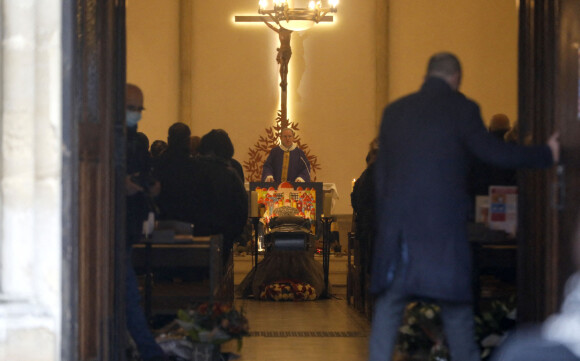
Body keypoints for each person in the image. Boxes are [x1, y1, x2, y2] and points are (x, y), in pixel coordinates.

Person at [368, 52, 559, 361]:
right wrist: (545, 154)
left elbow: (381, 176)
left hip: (400, 234)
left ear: (425, 76)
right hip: (443, 235)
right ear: (456, 78)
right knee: (457, 314)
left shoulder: (395, 112)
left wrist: (387, 222)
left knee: (388, 311)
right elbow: (494, 153)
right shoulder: (462, 108)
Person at [124, 83, 167, 361]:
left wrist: (151, 186)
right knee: (128, 296)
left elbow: (148, 173)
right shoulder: (105, 136)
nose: (137, 114)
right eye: (132, 108)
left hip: (129, 228)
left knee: (128, 295)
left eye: (140, 109)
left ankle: (144, 350)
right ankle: (150, 352)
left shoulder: (138, 141)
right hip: (108, 229)